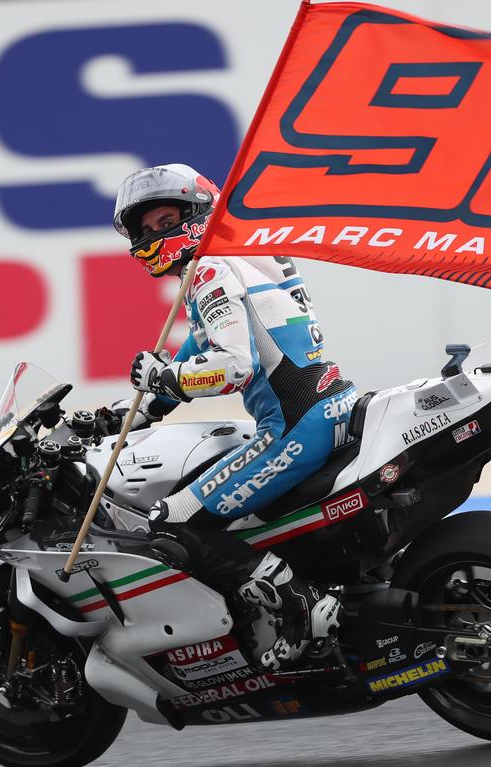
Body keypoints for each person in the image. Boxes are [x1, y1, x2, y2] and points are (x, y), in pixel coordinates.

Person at [111, 163, 357, 670]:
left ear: (197, 213)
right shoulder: (249, 255)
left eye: (165, 222)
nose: (155, 236)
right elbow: (199, 351)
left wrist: (162, 380)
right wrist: (122, 414)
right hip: (333, 404)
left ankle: (297, 604)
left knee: (170, 525)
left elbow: (232, 365)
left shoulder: (209, 269)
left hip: (294, 425)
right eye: (146, 230)